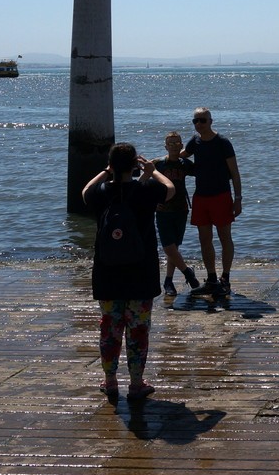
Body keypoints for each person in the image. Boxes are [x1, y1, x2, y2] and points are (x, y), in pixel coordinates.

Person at [82, 142, 175, 400]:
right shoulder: (145, 190)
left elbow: (85, 191)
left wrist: (105, 172)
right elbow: (170, 189)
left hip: (107, 273)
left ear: (112, 165)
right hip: (141, 273)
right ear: (134, 164)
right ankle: (136, 384)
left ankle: (110, 381)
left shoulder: (101, 192)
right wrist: (152, 170)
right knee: (138, 329)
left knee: (110, 329)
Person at [182, 107, 243, 296]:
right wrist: (166, 154)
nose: (199, 124)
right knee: (204, 239)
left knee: (225, 237)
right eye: (195, 121)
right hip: (200, 197)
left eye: (202, 120)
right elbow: (180, 155)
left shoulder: (223, 142)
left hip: (221, 196)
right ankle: (211, 279)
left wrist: (238, 198)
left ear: (211, 121)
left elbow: (234, 173)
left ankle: (225, 279)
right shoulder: (195, 141)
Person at [151, 131, 202, 296]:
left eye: (176, 143)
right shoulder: (158, 164)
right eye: (170, 144)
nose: (173, 146)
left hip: (181, 210)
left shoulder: (184, 164)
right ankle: (188, 274)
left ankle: (168, 281)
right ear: (165, 147)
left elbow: (202, 171)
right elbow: (143, 173)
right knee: (168, 248)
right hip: (162, 210)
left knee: (175, 247)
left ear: (181, 146)